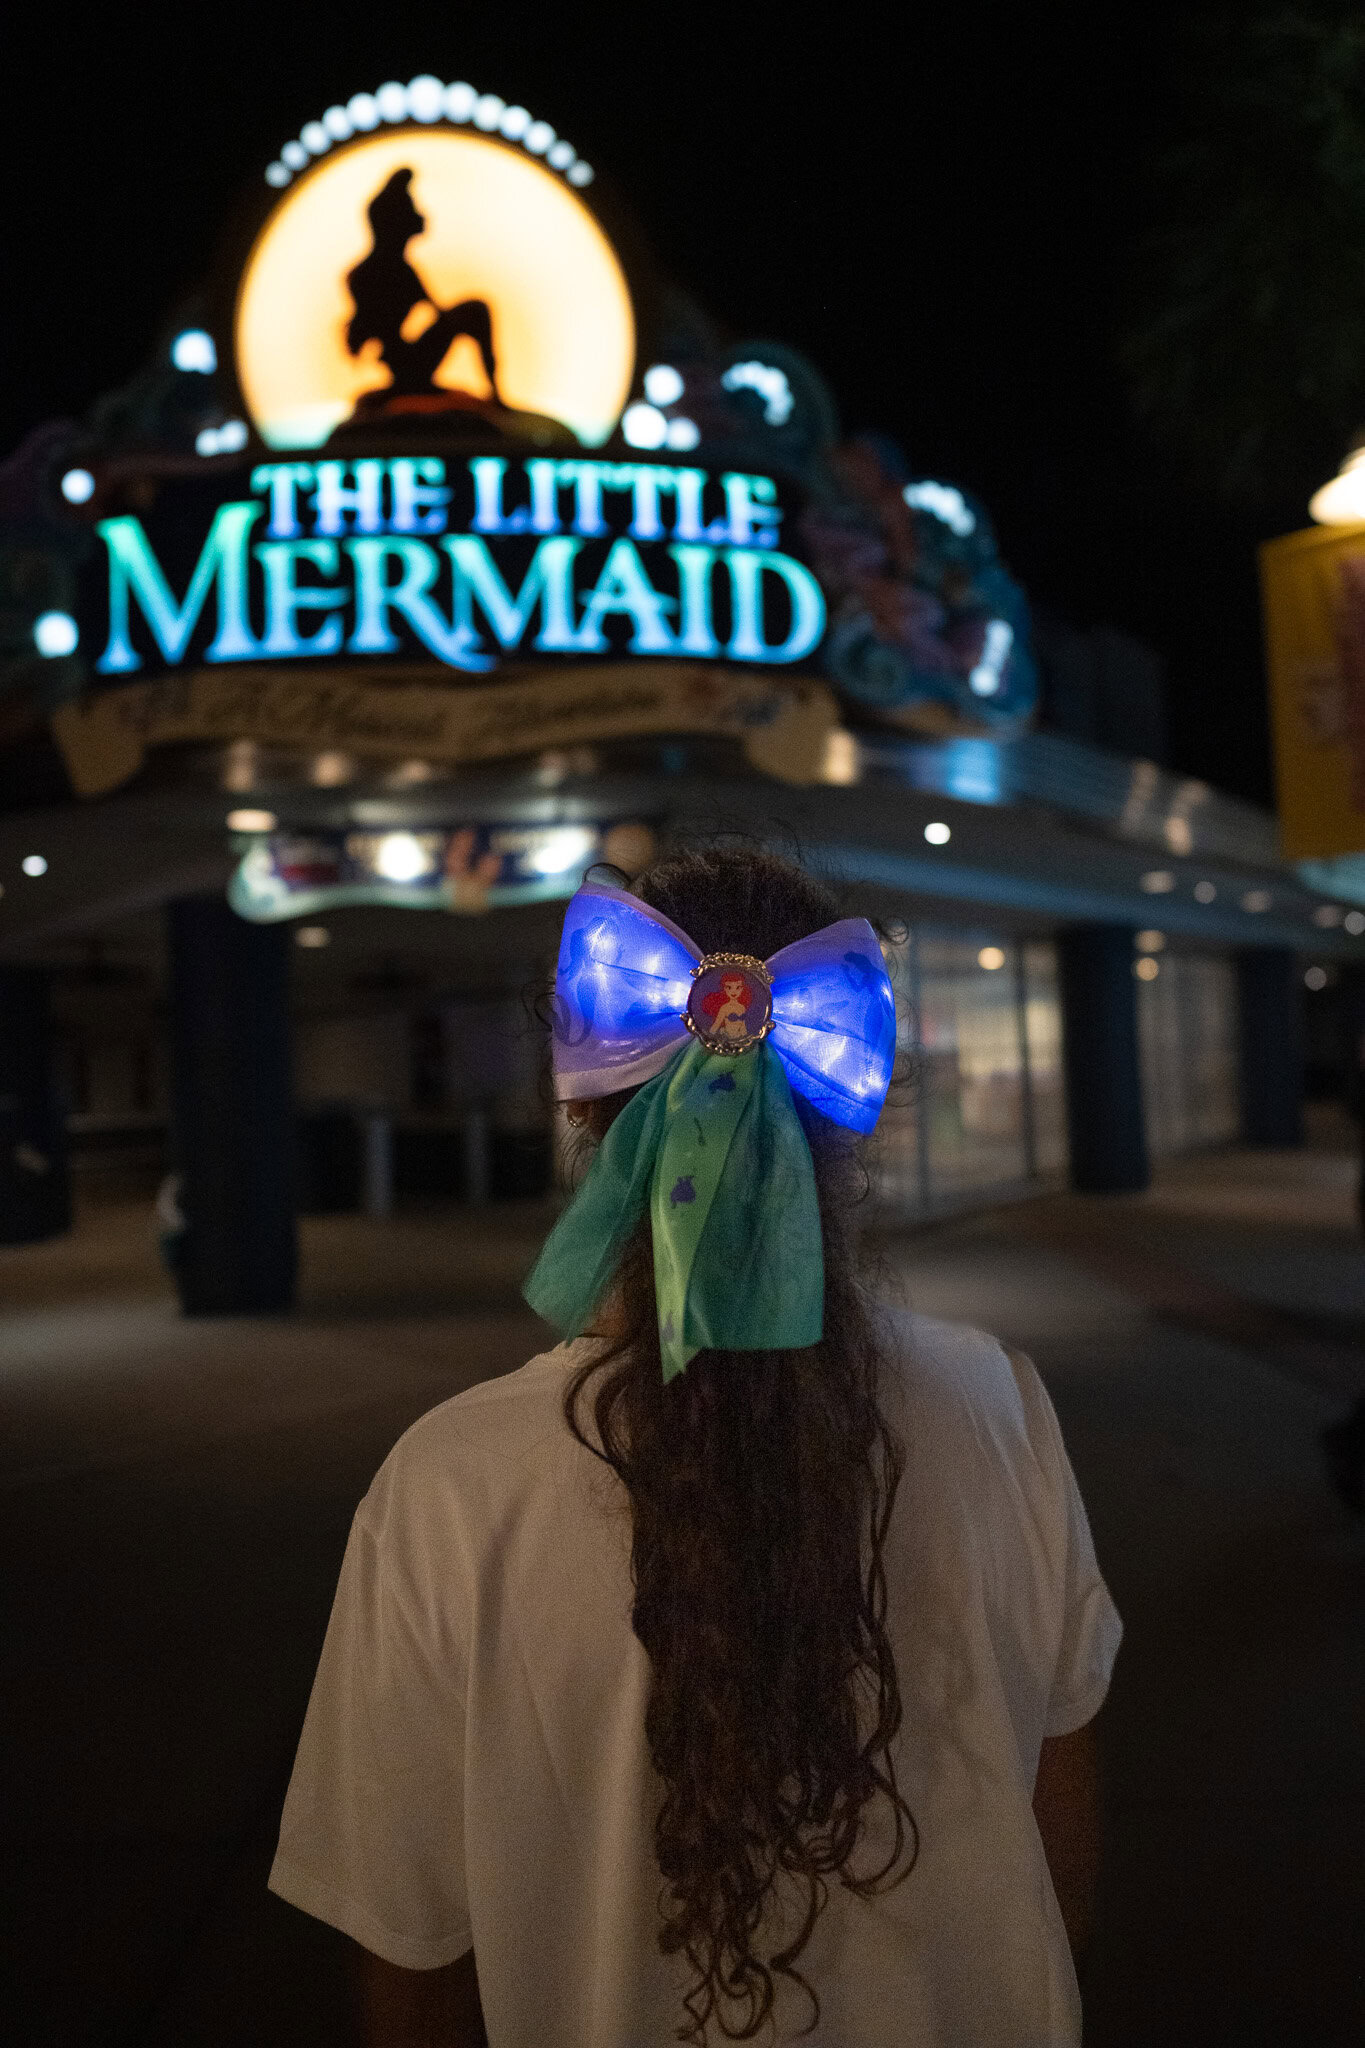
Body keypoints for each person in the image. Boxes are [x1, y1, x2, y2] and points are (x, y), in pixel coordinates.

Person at [268, 847, 1123, 2046]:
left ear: (580, 1101)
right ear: (855, 1099)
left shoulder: (447, 1487)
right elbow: (1062, 1847)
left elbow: (410, 1959)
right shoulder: (999, 1403)